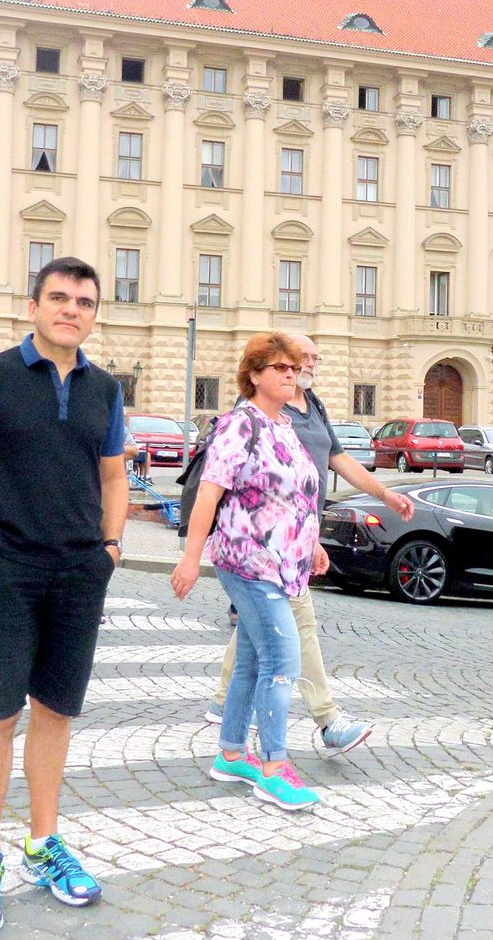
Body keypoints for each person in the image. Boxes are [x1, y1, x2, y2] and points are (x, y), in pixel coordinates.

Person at [0, 256, 126, 934]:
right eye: (60, 298)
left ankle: (43, 845)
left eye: (85, 302)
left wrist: (111, 547)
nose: (72, 309)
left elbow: (113, 475)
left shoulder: (105, 388)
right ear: (34, 306)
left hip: (78, 573)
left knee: (55, 712)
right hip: (8, 568)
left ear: (95, 313)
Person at [205, 332, 414, 755]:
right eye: (302, 358)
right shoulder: (265, 413)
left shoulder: (312, 406)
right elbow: (220, 484)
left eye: (312, 358)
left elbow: (339, 460)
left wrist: (385, 494)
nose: (310, 365)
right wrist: (192, 556)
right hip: (264, 547)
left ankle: (225, 710)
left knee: (255, 629)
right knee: (296, 631)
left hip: (300, 539)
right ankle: (326, 721)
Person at [170, 332, 325, 813]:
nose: (290, 375)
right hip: (248, 561)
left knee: (255, 662)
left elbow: (296, 495)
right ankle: (274, 768)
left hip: (284, 564)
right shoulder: (241, 424)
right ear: (254, 374)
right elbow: (210, 492)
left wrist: (312, 542)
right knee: (284, 660)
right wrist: (190, 557)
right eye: (279, 368)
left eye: (293, 369)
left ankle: (232, 753)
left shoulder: (284, 426)